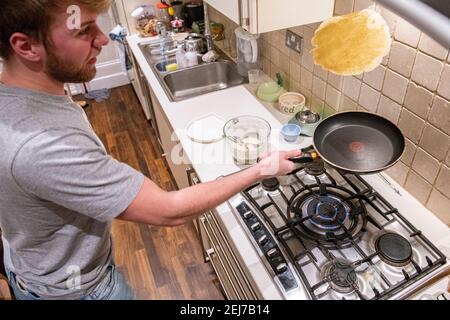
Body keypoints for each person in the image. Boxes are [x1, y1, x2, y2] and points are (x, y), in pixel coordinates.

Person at [0, 0, 300, 300]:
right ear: (26, 47)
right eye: (84, 31)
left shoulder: (18, 99)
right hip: (80, 292)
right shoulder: (45, 144)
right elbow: (171, 211)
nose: (103, 39)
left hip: (34, 270)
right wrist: (262, 168)